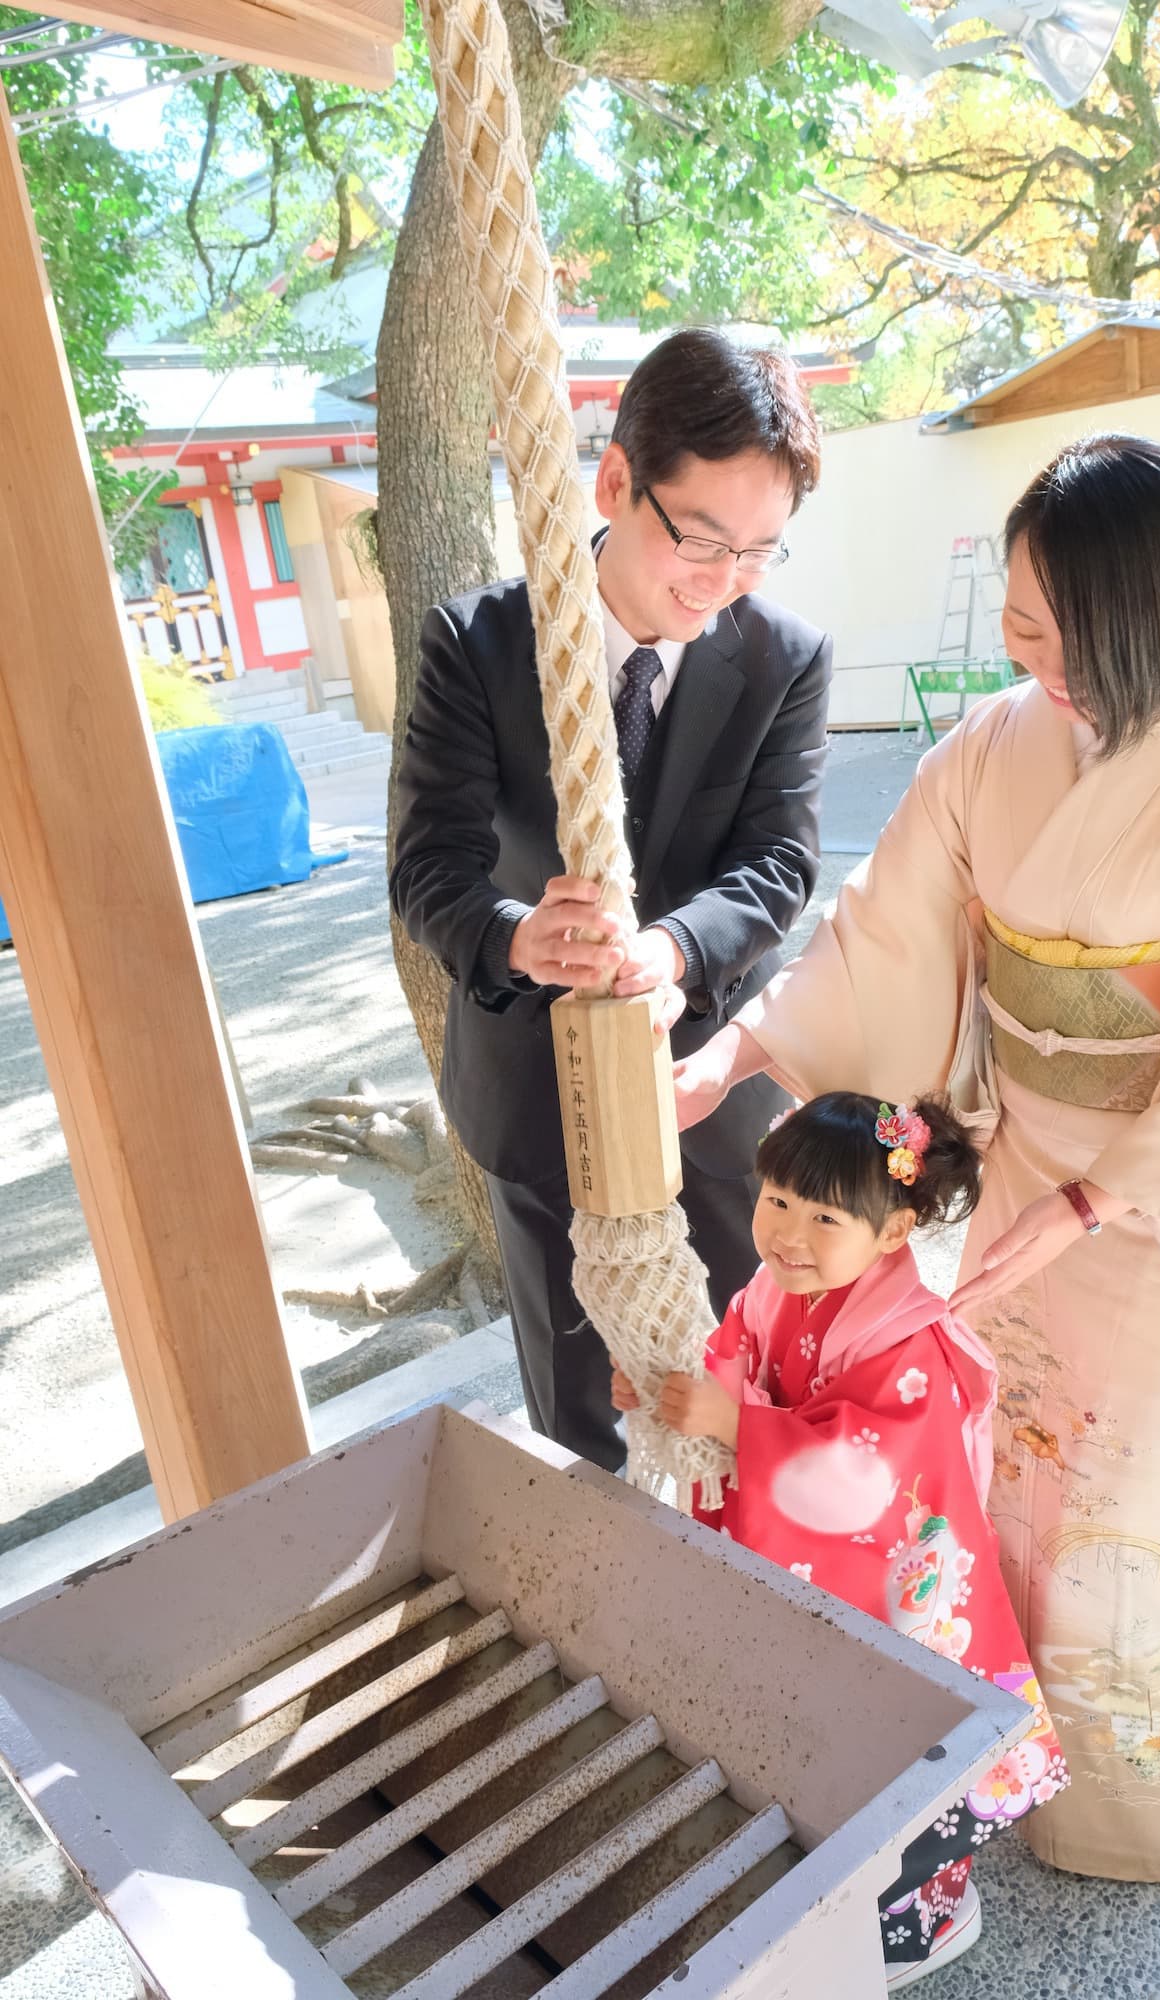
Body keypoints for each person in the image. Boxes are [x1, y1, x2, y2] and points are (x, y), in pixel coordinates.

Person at [673, 433, 1160, 1884]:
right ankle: (1010, 1759)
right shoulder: (995, 743)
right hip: (1032, 1162)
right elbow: (886, 927)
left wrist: (1108, 1193)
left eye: (1045, 618)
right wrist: (742, 1053)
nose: (1018, 640)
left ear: (1138, 607)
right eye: (1018, 614)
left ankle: (1158, 1798)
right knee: (1010, 1472)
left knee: (1142, 1493)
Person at [390, 329, 832, 1475]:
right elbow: (427, 864)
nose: (721, 578)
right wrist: (513, 933)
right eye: (697, 538)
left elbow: (777, 861)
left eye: (758, 552)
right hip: (533, 1095)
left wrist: (674, 951)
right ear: (611, 481)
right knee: (585, 1421)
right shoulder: (477, 642)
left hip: (701, 1097)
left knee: (738, 1386)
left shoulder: (782, 655)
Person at [613, 1091, 1067, 1986]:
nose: (789, 1234)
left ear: (895, 1232)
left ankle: (931, 1922)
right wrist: (673, 1395)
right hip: (816, 1571)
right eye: (777, 1199)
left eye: (825, 1216)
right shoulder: (774, 1292)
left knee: (900, 1748)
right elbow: (731, 1358)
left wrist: (738, 1423)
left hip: (894, 1586)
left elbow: (873, 1478)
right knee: (822, 1745)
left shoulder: (910, 1348)